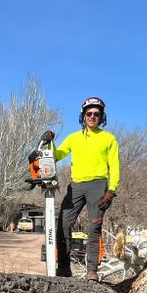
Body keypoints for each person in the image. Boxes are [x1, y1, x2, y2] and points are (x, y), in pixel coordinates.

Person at [39, 96, 120, 280]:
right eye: (89, 113)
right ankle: (64, 268)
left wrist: (111, 190)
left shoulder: (109, 139)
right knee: (63, 224)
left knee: (93, 228)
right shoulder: (74, 138)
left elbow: (114, 166)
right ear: (83, 116)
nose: (92, 117)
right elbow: (56, 155)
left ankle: (91, 271)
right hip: (76, 186)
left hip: (98, 186)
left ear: (102, 117)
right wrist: (50, 141)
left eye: (96, 114)